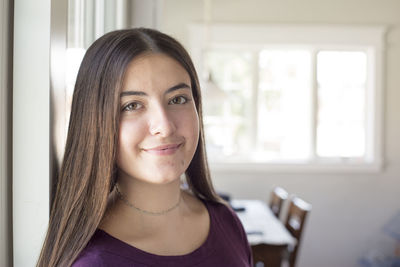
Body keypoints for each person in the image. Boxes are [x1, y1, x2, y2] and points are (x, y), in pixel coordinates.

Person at [37, 28, 253, 267]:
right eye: (132, 105)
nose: (165, 126)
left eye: (178, 99)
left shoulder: (226, 220)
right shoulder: (93, 261)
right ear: (95, 123)